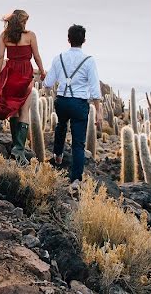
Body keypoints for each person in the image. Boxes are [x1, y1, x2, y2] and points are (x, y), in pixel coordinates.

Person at [0, 9, 46, 165]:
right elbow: (36, 56)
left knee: (14, 109)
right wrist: (42, 71)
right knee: (24, 110)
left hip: (10, 73)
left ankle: (15, 147)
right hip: (25, 72)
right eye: (25, 20)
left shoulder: (4, 36)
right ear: (22, 21)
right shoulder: (30, 35)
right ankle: (19, 148)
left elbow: (0, 56)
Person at [43, 24, 101, 184]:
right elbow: (95, 89)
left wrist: (47, 93)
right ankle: (76, 179)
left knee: (61, 126)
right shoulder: (89, 61)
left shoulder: (58, 58)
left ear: (68, 39)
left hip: (62, 101)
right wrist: (99, 112)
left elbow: (47, 83)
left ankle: (58, 155)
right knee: (78, 142)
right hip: (79, 104)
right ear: (84, 40)